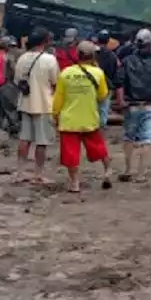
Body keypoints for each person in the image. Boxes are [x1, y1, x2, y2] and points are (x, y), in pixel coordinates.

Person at [52, 40, 112, 193]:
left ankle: (74, 183)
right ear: (93, 55)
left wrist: (55, 115)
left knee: (71, 154)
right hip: (89, 118)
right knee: (99, 148)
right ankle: (107, 171)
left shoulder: (66, 73)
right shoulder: (98, 73)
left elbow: (58, 98)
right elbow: (102, 95)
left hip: (69, 120)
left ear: (77, 55)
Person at [118, 28, 151, 183]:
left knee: (128, 137)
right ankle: (141, 173)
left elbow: (120, 82)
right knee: (146, 139)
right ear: (150, 43)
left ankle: (127, 170)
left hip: (131, 105)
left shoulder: (127, 61)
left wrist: (121, 101)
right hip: (150, 105)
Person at [15, 28, 59, 184]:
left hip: (25, 103)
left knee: (24, 138)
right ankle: (37, 174)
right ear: (45, 42)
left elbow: (17, 81)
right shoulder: (49, 60)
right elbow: (55, 82)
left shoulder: (22, 58)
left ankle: (20, 172)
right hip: (44, 104)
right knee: (42, 141)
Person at [95, 30, 120, 129]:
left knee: (94, 105)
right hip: (107, 83)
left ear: (97, 39)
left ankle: (94, 124)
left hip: (94, 82)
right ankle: (102, 125)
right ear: (108, 40)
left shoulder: (93, 53)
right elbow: (115, 70)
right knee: (104, 106)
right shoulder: (112, 55)